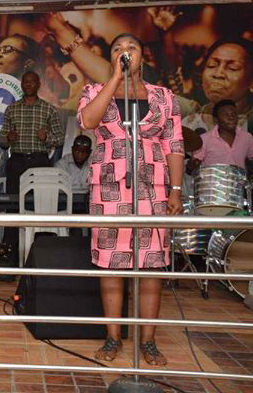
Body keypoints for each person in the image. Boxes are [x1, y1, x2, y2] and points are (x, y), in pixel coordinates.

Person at [78, 32, 184, 366]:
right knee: (111, 264)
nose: (125, 52)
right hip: (110, 188)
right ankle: (113, 337)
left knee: (152, 265)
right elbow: (88, 121)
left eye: (131, 47)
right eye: (117, 48)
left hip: (154, 188)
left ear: (143, 55)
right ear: (111, 57)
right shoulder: (94, 90)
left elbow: (174, 144)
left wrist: (176, 190)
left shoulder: (164, 96)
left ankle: (148, 341)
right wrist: (114, 79)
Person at [0, 71, 65, 198]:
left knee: (40, 201)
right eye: (26, 82)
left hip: (40, 161)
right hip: (16, 162)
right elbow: (2, 143)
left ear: (38, 84)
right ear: (22, 85)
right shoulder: (11, 109)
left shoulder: (49, 109)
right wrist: (8, 138)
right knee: (14, 202)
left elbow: (60, 139)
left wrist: (47, 138)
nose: (29, 85)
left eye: (32, 82)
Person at [187, 99, 253, 173]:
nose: (231, 117)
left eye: (233, 114)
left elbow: (251, 159)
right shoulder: (204, 139)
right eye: (225, 115)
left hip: (239, 180)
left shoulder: (247, 137)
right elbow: (190, 169)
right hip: (213, 180)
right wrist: (192, 164)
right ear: (215, 119)